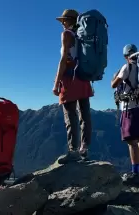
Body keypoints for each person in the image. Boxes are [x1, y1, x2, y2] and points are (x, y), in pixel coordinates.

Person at [53, 9, 94, 164]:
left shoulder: (67, 35)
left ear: (66, 21)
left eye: (63, 21)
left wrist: (56, 83)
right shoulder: (83, 37)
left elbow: (64, 59)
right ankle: (85, 150)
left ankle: (73, 151)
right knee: (85, 115)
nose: (62, 24)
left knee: (70, 115)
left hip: (70, 78)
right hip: (83, 77)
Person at [111, 44, 139, 184]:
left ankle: (134, 173)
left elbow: (114, 85)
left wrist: (114, 77)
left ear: (125, 56)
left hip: (130, 109)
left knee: (131, 143)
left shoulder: (127, 67)